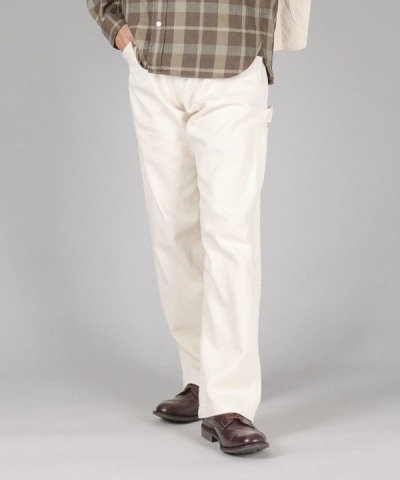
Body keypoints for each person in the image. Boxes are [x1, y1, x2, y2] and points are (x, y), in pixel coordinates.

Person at [86, 0, 311, 455]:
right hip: (153, 58)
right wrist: (115, 26)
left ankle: (229, 401)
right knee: (173, 232)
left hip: (231, 51)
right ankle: (201, 377)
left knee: (231, 236)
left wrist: (273, 37)